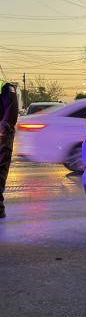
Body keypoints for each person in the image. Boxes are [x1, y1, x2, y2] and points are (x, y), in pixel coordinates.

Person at [0, 79, 19, 218]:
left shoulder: (6, 87)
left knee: (0, 168)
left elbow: (12, 110)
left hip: (2, 136)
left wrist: (3, 130)